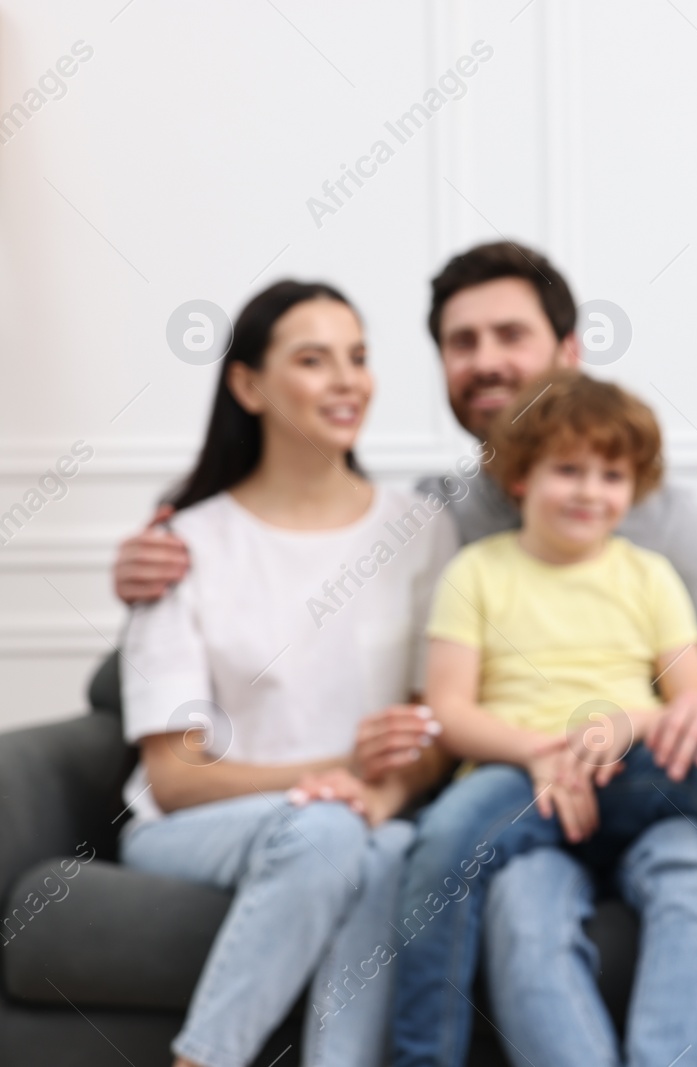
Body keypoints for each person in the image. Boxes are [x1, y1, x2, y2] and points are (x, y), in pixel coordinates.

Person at [112, 240, 697, 1061]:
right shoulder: (432, 522)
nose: (485, 361)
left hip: (637, 771)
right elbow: (295, 526)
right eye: (462, 342)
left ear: (568, 352)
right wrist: (158, 542)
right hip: (516, 782)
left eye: (509, 334)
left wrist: (683, 718)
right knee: (481, 878)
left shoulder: (660, 524)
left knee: (695, 858)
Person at [394, 368, 697, 1065]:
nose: (589, 490)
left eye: (610, 474)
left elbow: (690, 706)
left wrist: (624, 726)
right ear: (520, 478)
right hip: (523, 776)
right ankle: (424, 1056)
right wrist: (540, 750)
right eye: (567, 470)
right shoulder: (477, 571)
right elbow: (447, 709)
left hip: (637, 770)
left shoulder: (649, 573)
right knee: (444, 836)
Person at [116, 280, 457, 1067]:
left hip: (360, 820)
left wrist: (379, 793)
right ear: (248, 385)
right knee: (336, 830)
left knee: (380, 846)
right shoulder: (185, 542)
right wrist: (338, 777)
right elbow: (172, 777)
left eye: (360, 357)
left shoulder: (421, 528)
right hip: (194, 830)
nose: (347, 380)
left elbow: (429, 731)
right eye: (313, 359)